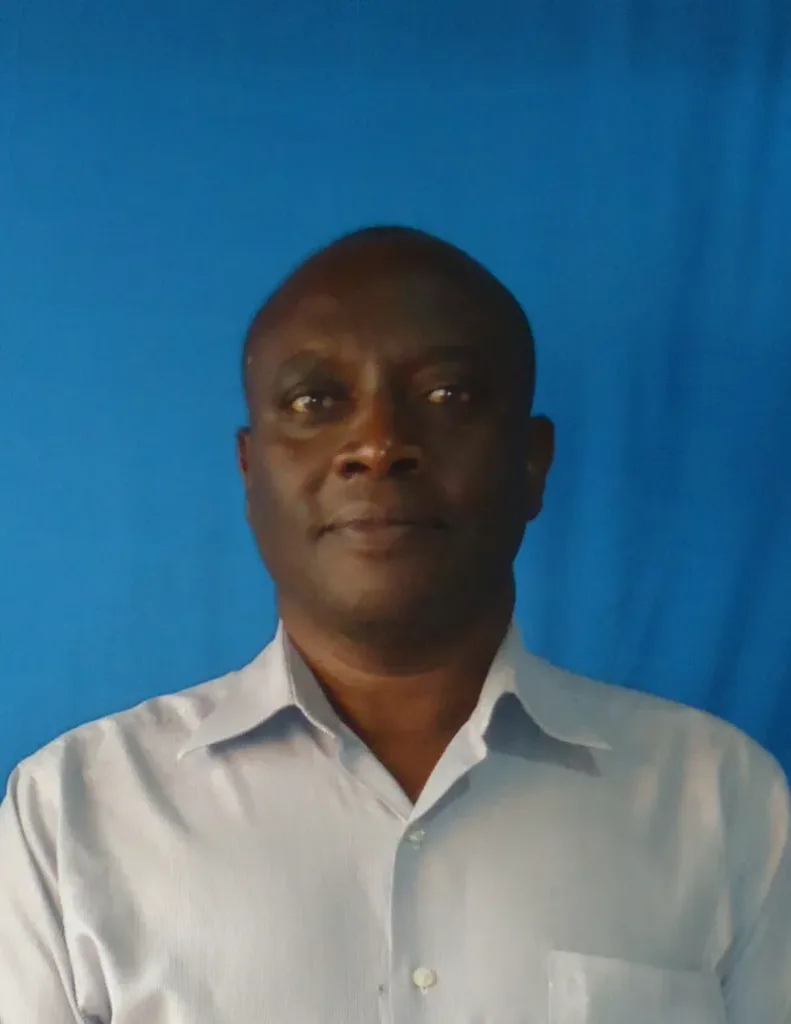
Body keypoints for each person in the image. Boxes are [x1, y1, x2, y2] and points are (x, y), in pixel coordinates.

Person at [0, 226, 789, 1024]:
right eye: (314, 402)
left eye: (448, 396)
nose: (377, 445)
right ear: (250, 470)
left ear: (532, 463)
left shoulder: (721, 801)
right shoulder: (73, 815)